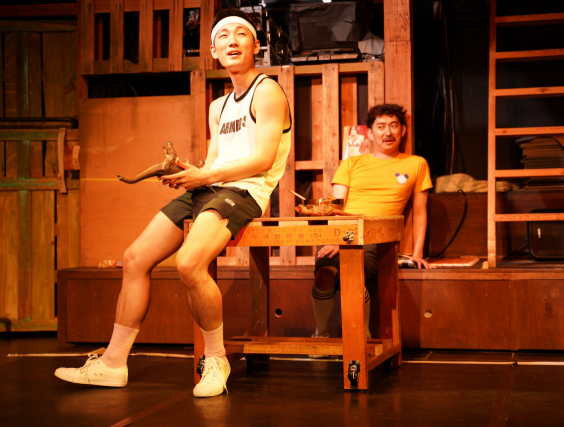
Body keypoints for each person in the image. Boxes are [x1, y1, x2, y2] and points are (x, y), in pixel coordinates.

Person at [55, 8, 291, 398]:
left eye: (241, 34)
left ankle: (216, 359)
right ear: (213, 51)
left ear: (255, 45)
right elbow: (214, 163)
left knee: (188, 263)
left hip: (245, 192)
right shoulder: (218, 106)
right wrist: (190, 172)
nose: (232, 41)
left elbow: (264, 159)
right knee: (134, 259)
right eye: (223, 37)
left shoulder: (267, 90)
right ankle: (113, 364)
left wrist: (206, 176)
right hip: (213, 187)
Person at [310, 104, 434, 355]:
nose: (388, 132)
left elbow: (421, 212)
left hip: (376, 239)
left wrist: (417, 253)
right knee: (325, 273)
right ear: (370, 133)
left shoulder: (417, 163)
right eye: (381, 126)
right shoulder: (351, 163)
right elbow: (336, 206)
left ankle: (362, 340)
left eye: (394, 126)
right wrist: (340, 239)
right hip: (341, 234)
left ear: (403, 131)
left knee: (353, 273)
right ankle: (320, 335)